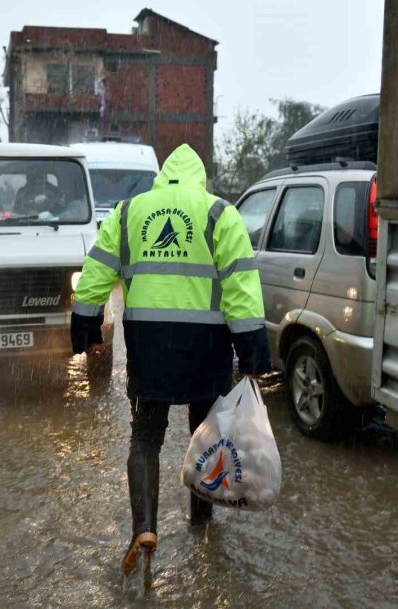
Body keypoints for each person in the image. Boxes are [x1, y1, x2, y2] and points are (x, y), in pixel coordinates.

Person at [70, 143, 271, 586]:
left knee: (145, 437)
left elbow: (98, 270)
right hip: (206, 348)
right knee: (206, 436)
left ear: (162, 177)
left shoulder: (128, 212)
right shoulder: (220, 213)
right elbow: (241, 285)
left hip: (149, 348)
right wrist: (254, 353)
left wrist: (85, 325)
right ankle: (202, 525)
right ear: (201, 178)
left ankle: (144, 529)